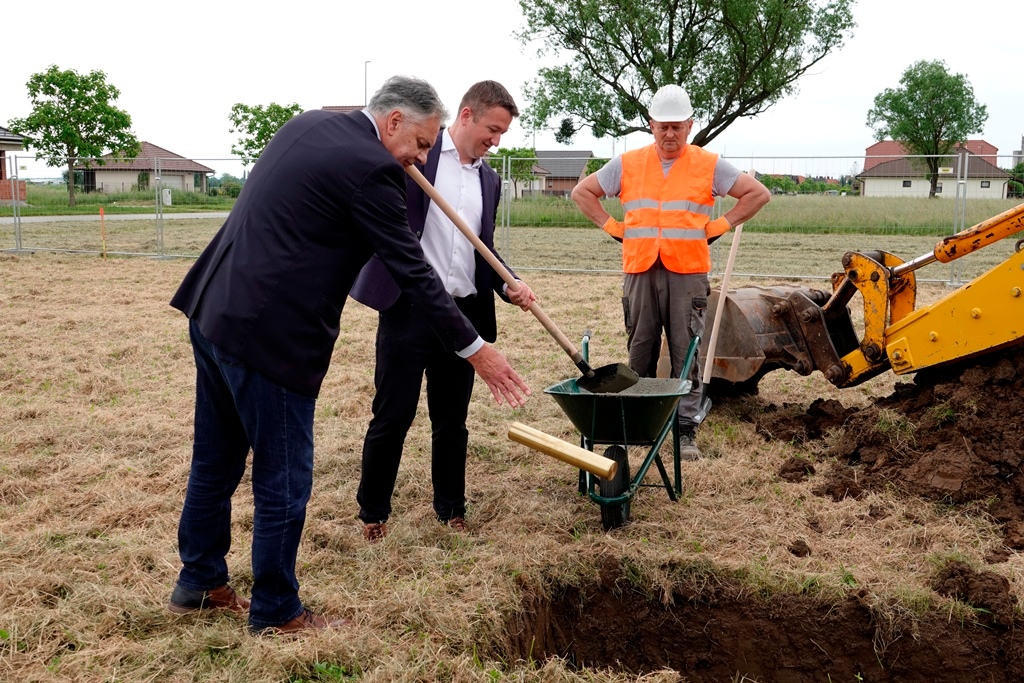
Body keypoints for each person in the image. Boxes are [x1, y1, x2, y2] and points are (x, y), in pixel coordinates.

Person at [165, 75, 530, 635]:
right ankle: (277, 611)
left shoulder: (309, 124)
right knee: (284, 475)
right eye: (424, 143)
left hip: (215, 309)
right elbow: (412, 269)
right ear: (393, 123)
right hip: (271, 335)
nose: (424, 156)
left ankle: (199, 582)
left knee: (215, 459)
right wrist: (477, 350)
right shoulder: (374, 170)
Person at [350, 81, 535, 541]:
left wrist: (508, 283)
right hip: (409, 306)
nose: (497, 140)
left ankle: (451, 508)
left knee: (451, 421)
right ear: (467, 115)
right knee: (393, 413)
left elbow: (481, 249)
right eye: (493, 129)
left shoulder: (488, 179)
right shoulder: (418, 155)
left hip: (467, 313)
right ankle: (373, 513)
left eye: (503, 134)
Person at [571, 84, 770, 459]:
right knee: (640, 349)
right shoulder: (627, 163)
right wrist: (613, 227)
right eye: (662, 125)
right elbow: (582, 192)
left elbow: (757, 193)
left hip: (688, 271)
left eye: (677, 126)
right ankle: (640, 421)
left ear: (690, 125)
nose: (669, 133)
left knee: (686, 351)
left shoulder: (708, 164)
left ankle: (684, 430)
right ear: (651, 125)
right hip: (640, 269)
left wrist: (718, 226)